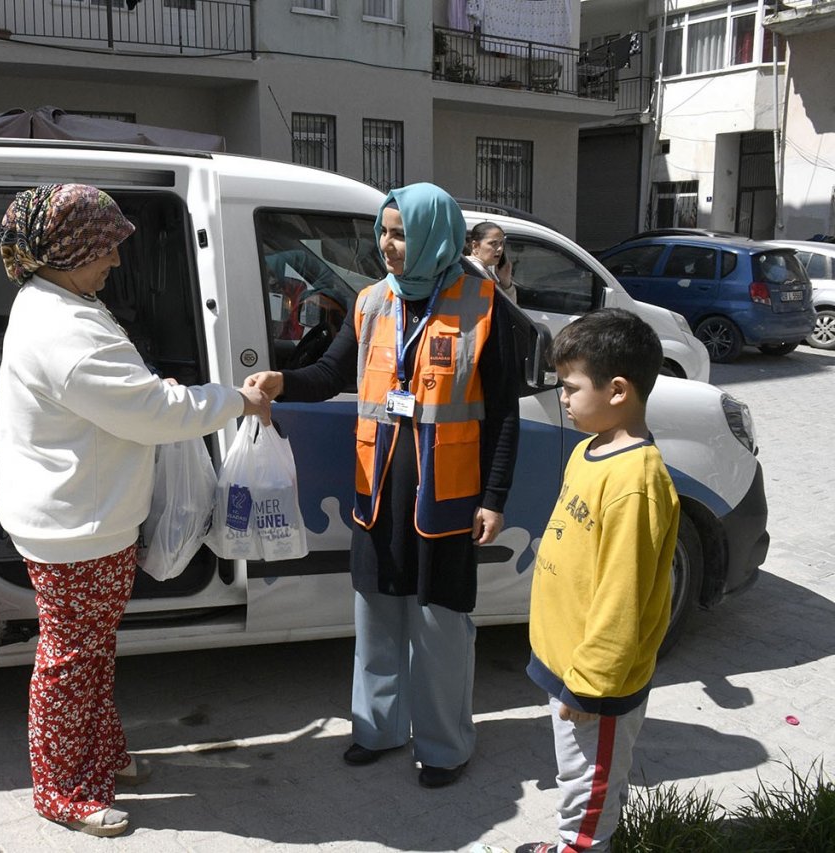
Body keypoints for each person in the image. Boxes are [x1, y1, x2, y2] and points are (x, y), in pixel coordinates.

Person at [0, 183, 272, 837]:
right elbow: (150, 412)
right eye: (106, 249)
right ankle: (62, 788)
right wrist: (235, 400)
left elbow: (128, 396)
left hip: (84, 517)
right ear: (68, 250)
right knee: (71, 657)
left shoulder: (59, 300)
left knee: (91, 650)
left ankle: (99, 756)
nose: (115, 263)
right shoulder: (64, 328)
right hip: (75, 526)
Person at [245, 183, 522, 788]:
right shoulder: (372, 302)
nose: (387, 246)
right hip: (378, 491)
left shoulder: (485, 305)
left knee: (440, 627)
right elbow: (327, 374)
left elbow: (503, 413)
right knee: (375, 618)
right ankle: (378, 729)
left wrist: (494, 498)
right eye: (384, 233)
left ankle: (445, 746)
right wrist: (280, 382)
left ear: (434, 236)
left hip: (446, 496)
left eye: (400, 234)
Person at [516, 308, 680, 853]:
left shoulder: (638, 481)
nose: (562, 398)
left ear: (616, 390)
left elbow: (622, 598)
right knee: (575, 775)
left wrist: (590, 683)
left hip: (597, 683)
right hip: (567, 662)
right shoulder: (592, 448)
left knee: (590, 790)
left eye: (569, 387)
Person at [464, 221, 518, 303]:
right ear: (475, 246)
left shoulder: (483, 269)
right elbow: (502, 308)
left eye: (501, 243)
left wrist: (505, 283)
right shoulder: (476, 271)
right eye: (493, 243)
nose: (500, 249)